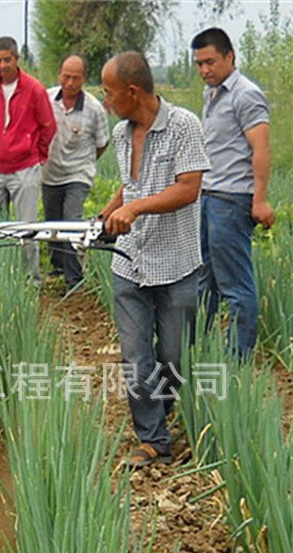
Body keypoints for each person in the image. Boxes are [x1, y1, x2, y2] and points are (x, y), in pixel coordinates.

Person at [100, 51, 210, 469]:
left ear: (132, 91)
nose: (106, 100)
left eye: (110, 92)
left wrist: (136, 208)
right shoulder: (122, 133)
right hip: (129, 263)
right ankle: (153, 440)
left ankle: (159, 415)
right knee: (135, 356)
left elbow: (188, 189)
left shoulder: (183, 125)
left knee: (173, 357)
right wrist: (112, 209)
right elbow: (130, 187)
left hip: (176, 263)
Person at [191, 27, 276, 358]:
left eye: (210, 62)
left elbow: (262, 148)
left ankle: (237, 356)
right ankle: (196, 347)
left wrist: (260, 199)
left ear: (230, 57)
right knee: (203, 279)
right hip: (208, 195)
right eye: (199, 64)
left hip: (232, 199)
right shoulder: (211, 93)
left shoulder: (246, 94)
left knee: (235, 285)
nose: (204, 70)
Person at [0, 36, 56, 284]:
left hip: (25, 167)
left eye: (7, 60)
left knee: (26, 226)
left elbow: (47, 126)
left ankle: (31, 280)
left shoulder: (34, 89)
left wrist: (37, 154)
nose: (2, 65)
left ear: (17, 59)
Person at [42, 53, 109, 291]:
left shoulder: (94, 109)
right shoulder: (47, 98)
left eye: (75, 78)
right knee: (52, 221)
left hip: (77, 175)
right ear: (59, 74)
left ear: (84, 79)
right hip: (49, 172)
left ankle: (74, 278)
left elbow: (102, 143)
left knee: (71, 222)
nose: (70, 83)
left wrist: (86, 162)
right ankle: (58, 264)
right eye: (66, 77)